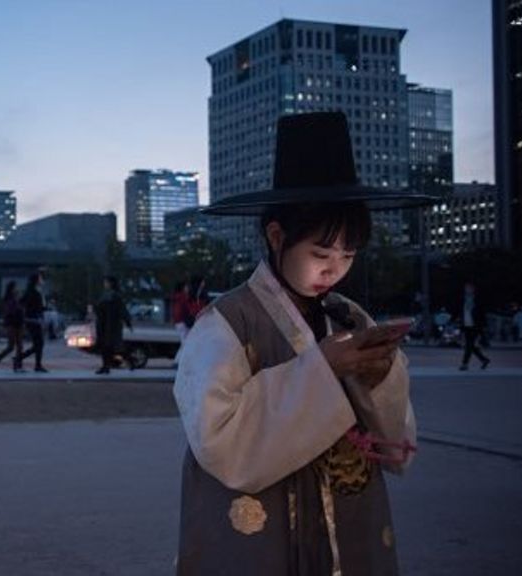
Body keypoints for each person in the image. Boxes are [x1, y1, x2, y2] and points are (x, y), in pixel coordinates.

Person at [173, 112, 433, 575]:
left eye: (348, 255)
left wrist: (380, 380)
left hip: (351, 519)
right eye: (320, 253)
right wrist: (322, 369)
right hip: (263, 534)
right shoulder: (225, 323)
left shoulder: (350, 317)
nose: (335, 269)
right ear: (276, 237)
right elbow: (217, 440)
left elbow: (395, 444)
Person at [95, 275, 133, 374]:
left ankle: (129, 361)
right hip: (104, 324)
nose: (105, 284)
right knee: (105, 347)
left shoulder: (115, 296)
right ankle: (105, 366)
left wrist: (127, 322)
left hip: (111, 325)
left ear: (111, 283)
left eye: (106, 282)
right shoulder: (106, 295)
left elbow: (122, 310)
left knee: (113, 347)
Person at [0, 282, 25, 373]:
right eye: (16, 288)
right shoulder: (11, 300)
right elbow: (12, 312)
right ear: (12, 289)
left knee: (15, 346)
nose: (18, 289)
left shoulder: (14, 299)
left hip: (15, 324)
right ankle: (16, 365)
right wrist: (19, 309)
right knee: (15, 346)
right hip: (14, 324)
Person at [19, 273, 49, 373]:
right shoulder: (35, 292)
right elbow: (39, 307)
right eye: (40, 279)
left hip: (32, 319)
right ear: (37, 281)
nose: (42, 280)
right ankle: (23, 359)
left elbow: (21, 302)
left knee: (38, 344)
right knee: (39, 343)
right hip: (34, 320)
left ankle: (23, 359)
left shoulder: (31, 291)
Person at [459, 282, 491, 371]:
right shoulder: (463, 299)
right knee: (471, 346)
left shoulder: (477, 300)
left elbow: (482, 313)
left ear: (473, 289)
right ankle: (484, 360)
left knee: (469, 345)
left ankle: (464, 364)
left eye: (469, 288)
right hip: (466, 325)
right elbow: (460, 312)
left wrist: (484, 326)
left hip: (475, 326)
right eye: (466, 288)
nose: (467, 290)